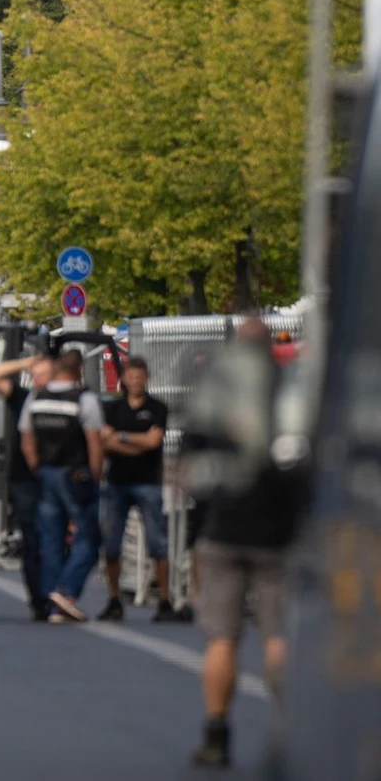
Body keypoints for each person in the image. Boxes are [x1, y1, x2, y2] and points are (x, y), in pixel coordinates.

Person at [184, 319, 305, 769]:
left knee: (222, 639)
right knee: (279, 637)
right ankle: (288, 732)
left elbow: (190, 469)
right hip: (278, 531)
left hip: (225, 528)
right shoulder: (290, 391)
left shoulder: (214, 390)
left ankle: (216, 733)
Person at [19, 347, 106, 622]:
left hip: (46, 473)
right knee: (89, 537)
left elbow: (27, 437)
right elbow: (95, 442)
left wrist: (36, 466)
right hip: (75, 474)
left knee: (51, 538)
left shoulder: (36, 397)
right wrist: (94, 474)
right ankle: (65, 591)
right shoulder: (85, 399)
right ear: (79, 370)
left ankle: (52, 602)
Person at [99, 357, 176, 622]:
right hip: (117, 481)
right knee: (111, 543)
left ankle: (165, 599)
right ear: (123, 379)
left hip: (148, 481)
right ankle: (114, 598)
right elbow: (104, 442)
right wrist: (137, 442)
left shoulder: (157, 408)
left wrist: (121, 437)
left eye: (139, 377)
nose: (135, 382)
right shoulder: (112, 409)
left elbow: (154, 442)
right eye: (130, 377)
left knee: (159, 542)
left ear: (147, 378)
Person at [0, 352, 52, 621]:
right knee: (32, 540)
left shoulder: (69, 399)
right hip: (25, 480)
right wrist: (25, 362)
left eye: (44, 374)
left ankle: (57, 593)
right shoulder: (24, 398)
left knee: (55, 540)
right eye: (36, 375)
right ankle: (38, 600)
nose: (39, 379)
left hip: (56, 478)